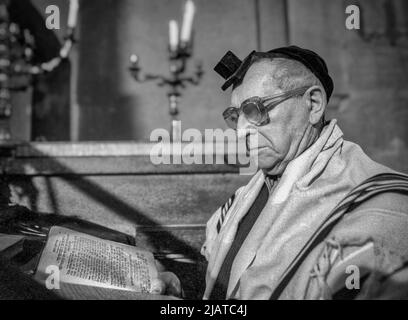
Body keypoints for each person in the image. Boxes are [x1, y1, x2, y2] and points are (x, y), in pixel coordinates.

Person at [158, 46, 408, 300]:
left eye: (255, 109)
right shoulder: (243, 199)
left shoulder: (379, 207)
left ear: (313, 104)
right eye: (235, 116)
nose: (241, 131)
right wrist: (178, 288)